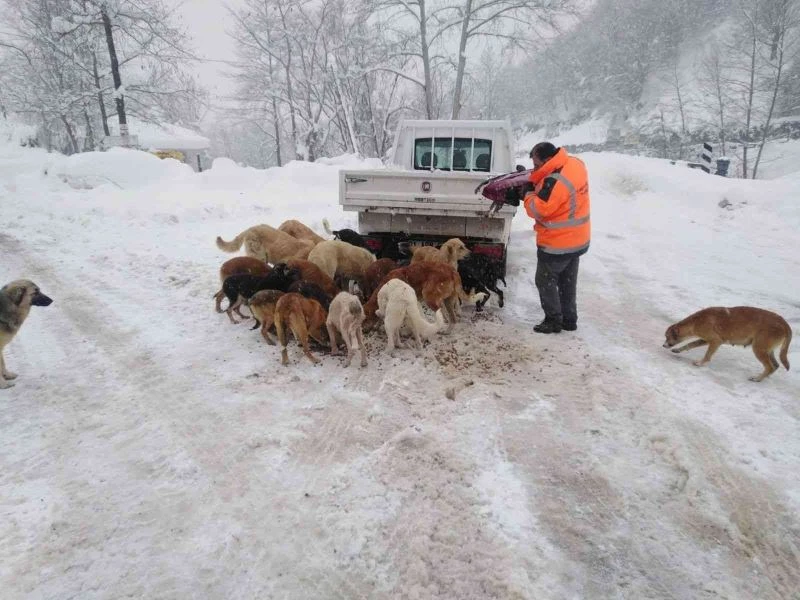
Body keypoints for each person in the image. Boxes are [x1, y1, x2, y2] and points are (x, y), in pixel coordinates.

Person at [516, 142, 591, 333]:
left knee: (545, 280)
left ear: (548, 160)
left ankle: (553, 320)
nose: (535, 167)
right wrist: (536, 180)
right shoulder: (575, 164)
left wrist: (527, 194)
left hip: (558, 242)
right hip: (578, 238)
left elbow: (540, 209)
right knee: (567, 282)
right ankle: (569, 319)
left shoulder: (556, 180)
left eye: (536, 163)